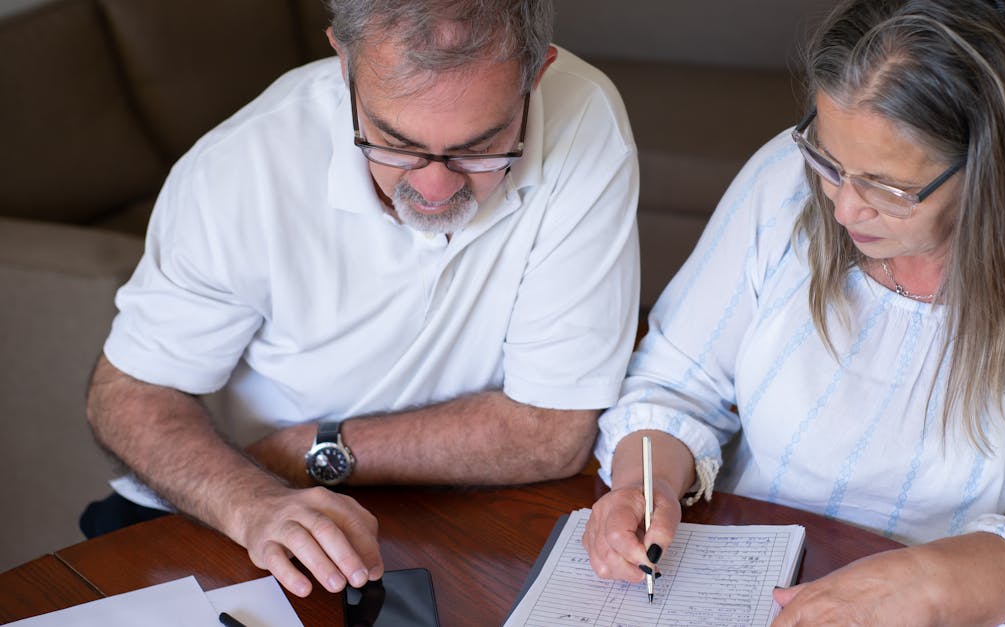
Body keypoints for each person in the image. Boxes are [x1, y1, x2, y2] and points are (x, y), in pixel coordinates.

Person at [582, 0, 1005, 624]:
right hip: (737, 580)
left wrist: (924, 583)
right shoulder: (786, 176)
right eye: (829, 163)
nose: (844, 209)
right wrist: (648, 483)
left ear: (986, 168)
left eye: (886, 187)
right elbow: (675, 381)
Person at [84, 0, 640, 598]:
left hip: (443, 509)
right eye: (395, 142)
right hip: (227, 512)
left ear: (537, 75)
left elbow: (551, 430)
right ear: (343, 63)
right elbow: (129, 397)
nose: (434, 188)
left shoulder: (584, 118)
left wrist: (308, 450)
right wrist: (253, 500)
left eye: (481, 146)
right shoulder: (240, 169)